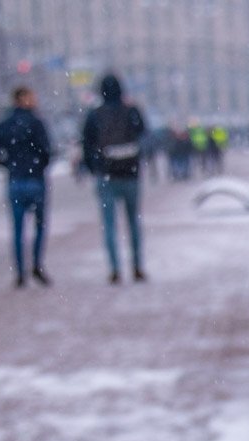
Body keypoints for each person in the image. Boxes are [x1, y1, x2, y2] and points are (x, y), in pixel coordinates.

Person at [82, 74, 147, 284]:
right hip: (130, 173)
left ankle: (115, 268)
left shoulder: (95, 115)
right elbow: (144, 135)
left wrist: (96, 168)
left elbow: (87, 145)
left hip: (106, 175)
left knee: (109, 225)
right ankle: (137, 266)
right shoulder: (131, 111)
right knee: (133, 222)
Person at [0, 85, 52, 288]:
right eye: (31, 96)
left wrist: (8, 165)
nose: (34, 100)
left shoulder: (5, 124)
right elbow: (47, 151)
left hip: (15, 180)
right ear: (22, 98)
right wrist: (38, 165)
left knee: (17, 229)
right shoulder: (36, 123)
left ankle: (20, 272)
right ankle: (36, 265)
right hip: (35, 181)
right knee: (39, 226)